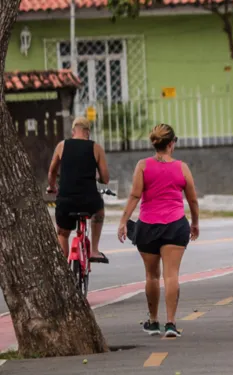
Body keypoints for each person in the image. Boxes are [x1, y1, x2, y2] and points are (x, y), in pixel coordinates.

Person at [117, 124, 199, 338]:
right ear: (171, 144)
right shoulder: (182, 167)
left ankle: (153, 322)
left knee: (152, 276)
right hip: (175, 225)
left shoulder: (143, 166)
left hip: (148, 227)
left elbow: (135, 196)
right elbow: (192, 199)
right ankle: (171, 324)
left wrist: (123, 221)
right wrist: (195, 223)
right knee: (171, 276)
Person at [47, 117, 110, 264]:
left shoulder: (62, 146)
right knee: (99, 211)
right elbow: (105, 179)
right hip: (89, 201)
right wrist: (97, 178)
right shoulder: (96, 148)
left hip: (66, 200)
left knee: (63, 234)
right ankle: (94, 250)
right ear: (88, 132)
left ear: (73, 131)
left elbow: (52, 172)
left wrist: (52, 187)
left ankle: (63, 269)